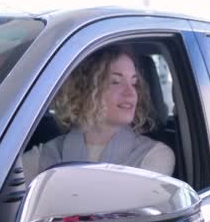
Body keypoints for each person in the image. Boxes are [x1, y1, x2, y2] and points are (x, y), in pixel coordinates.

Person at [22, 45, 175, 183]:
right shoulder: (42, 156)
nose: (131, 93)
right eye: (115, 81)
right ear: (84, 89)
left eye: (134, 83)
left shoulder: (154, 155)